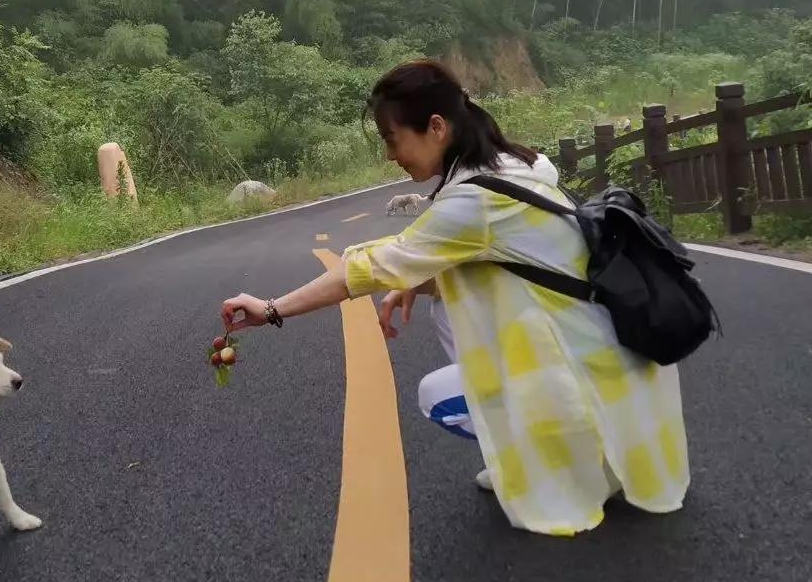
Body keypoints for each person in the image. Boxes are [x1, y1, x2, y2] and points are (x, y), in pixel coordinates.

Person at [220, 60, 690, 536]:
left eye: (391, 138)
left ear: (437, 128)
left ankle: (562, 459)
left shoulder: (473, 202)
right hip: (620, 365)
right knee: (446, 296)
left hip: (592, 374)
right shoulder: (517, 166)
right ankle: (585, 452)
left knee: (436, 394)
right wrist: (419, 282)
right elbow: (506, 268)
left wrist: (271, 309)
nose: (390, 155)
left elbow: (362, 271)